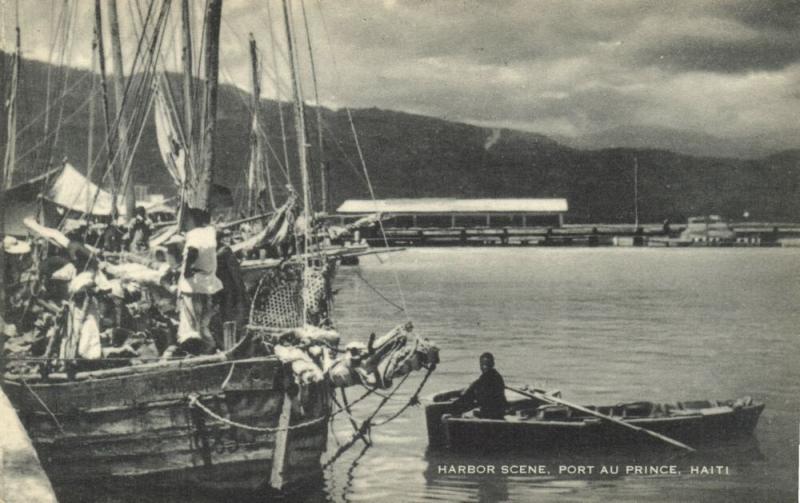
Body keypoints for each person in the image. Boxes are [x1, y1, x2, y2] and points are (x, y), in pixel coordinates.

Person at [177, 207, 223, 354]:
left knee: (191, 325)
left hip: (193, 284)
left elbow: (192, 250)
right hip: (208, 283)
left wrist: (186, 270)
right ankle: (209, 349)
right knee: (204, 324)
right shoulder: (210, 232)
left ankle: (194, 352)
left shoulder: (194, 235)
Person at [452, 352, 507, 419]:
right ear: (480, 365)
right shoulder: (495, 376)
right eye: (483, 364)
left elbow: (469, 394)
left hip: (491, 413)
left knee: (461, 411)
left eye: (487, 364)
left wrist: (455, 404)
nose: (485, 367)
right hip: (495, 411)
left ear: (492, 364)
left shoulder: (489, 378)